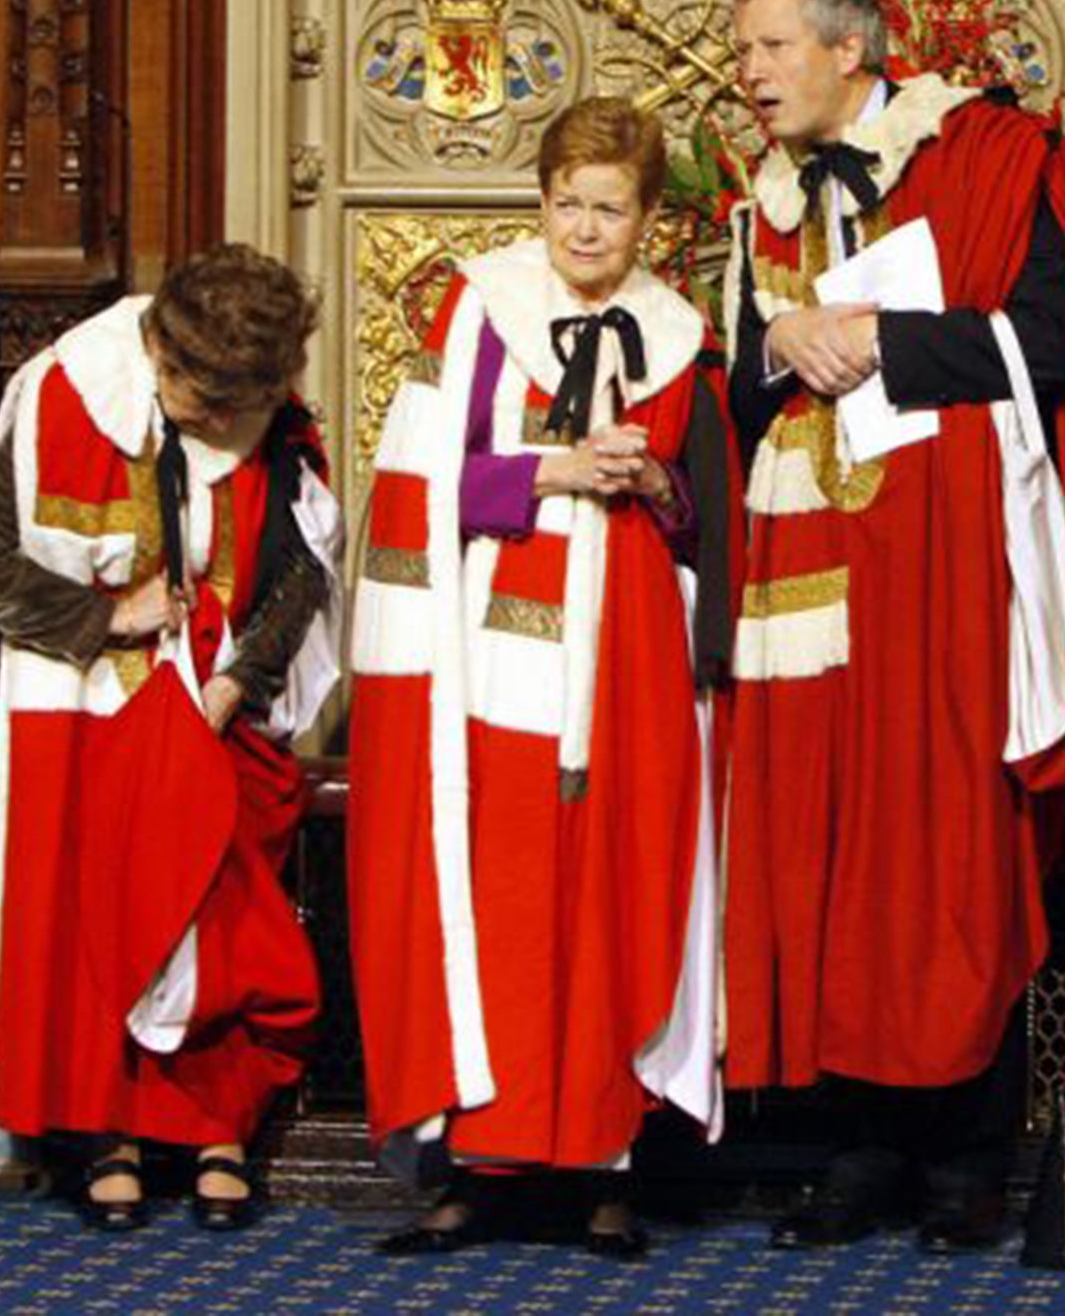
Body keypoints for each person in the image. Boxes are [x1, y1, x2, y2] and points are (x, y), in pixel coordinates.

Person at [722, 0, 1065, 1252]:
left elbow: (1060, 346)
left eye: (769, 48)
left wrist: (882, 343)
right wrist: (771, 349)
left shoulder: (991, 156)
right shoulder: (766, 205)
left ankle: (967, 1154)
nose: (746, 76)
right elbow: (736, 398)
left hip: (949, 564)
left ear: (851, 51)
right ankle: (859, 1152)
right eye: (743, 53)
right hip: (807, 578)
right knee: (833, 851)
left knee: (949, 848)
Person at [348, 95, 739, 1259]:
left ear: (648, 220)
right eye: (566, 204)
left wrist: (656, 485)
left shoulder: (679, 336)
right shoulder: (480, 314)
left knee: (616, 886)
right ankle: (477, 1165)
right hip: (495, 654)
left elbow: (704, 521)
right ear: (538, 201)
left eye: (608, 210)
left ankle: (604, 1164)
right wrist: (552, 472)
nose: (583, 230)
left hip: (629, 661)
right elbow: (419, 490)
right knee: (503, 891)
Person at [0, 244, 339, 1231]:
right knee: (100, 916)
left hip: (216, 702)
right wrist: (101, 621)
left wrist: (234, 682)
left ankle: (218, 1128)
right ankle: (106, 1133)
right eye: (200, 403)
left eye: (233, 408)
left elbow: (300, 571)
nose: (216, 426)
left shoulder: (272, 417)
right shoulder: (66, 395)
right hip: (87, 706)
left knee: (223, 920)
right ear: (162, 358)